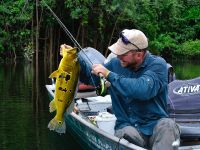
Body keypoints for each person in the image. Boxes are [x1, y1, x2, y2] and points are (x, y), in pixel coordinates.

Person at [61, 29, 180, 150]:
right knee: (125, 132)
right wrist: (74, 58)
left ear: (139, 55)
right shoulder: (114, 64)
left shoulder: (158, 65)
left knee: (168, 125)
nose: (118, 56)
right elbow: (91, 79)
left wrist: (109, 74)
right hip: (127, 127)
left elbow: (142, 90)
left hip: (155, 126)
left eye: (123, 54)